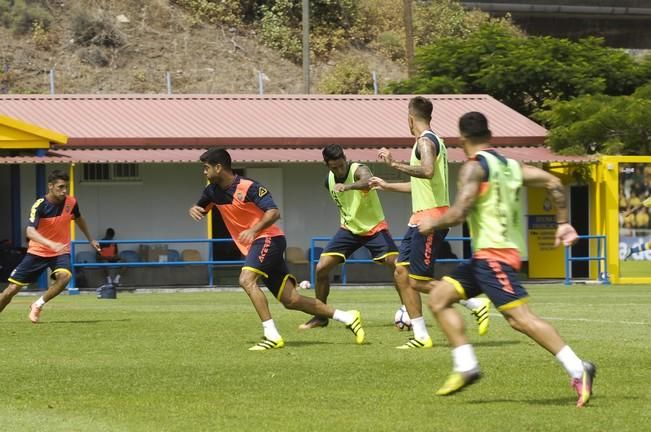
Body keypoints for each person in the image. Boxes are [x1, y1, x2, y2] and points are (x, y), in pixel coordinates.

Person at [418, 112, 596, 407]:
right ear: (490, 135)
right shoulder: (511, 166)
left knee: (520, 319)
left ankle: (579, 368)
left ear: (462, 139)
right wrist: (562, 222)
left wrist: (431, 224)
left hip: (494, 257)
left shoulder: (473, 169)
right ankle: (466, 366)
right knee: (438, 298)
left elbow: (460, 212)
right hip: (486, 258)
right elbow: (552, 182)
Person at [188, 148, 365, 350]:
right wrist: (194, 208)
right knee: (291, 300)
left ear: (218, 167)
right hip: (258, 243)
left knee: (246, 280)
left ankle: (271, 335)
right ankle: (347, 316)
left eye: (206, 167)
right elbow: (201, 207)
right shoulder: (212, 191)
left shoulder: (249, 187)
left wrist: (253, 230)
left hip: (268, 239)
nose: (204, 172)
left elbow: (274, 212)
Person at [369, 96, 490, 349]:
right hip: (419, 218)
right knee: (402, 273)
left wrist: (393, 164)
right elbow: (421, 183)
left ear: (410, 118)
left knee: (418, 280)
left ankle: (474, 303)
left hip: (432, 218)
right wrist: (387, 185)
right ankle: (421, 336)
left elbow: (427, 171)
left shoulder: (425, 141)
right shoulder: (431, 142)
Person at [299, 144, 400, 330]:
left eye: (341, 164)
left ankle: (408, 312)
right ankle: (320, 316)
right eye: (334, 167)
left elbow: (367, 182)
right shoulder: (328, 180)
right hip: (349, 230)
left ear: (345, 159)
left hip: (374, 229)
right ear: (327, 165)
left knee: (398, 266)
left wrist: (347, 186)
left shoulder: (358, 169)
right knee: (321, 268)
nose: (339, 169)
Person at [0, 170, 100, 323]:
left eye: (65, 187)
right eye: (60, 187)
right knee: (11, 290)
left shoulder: (71, 202)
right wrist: (50, 243)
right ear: (50, 186)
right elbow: (30, 231)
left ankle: (38, 305)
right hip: (37, 252)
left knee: (65, 276)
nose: (64, 191)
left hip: (60, 252)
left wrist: (91, 239)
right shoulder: (40, 205)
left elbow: (79, 219)